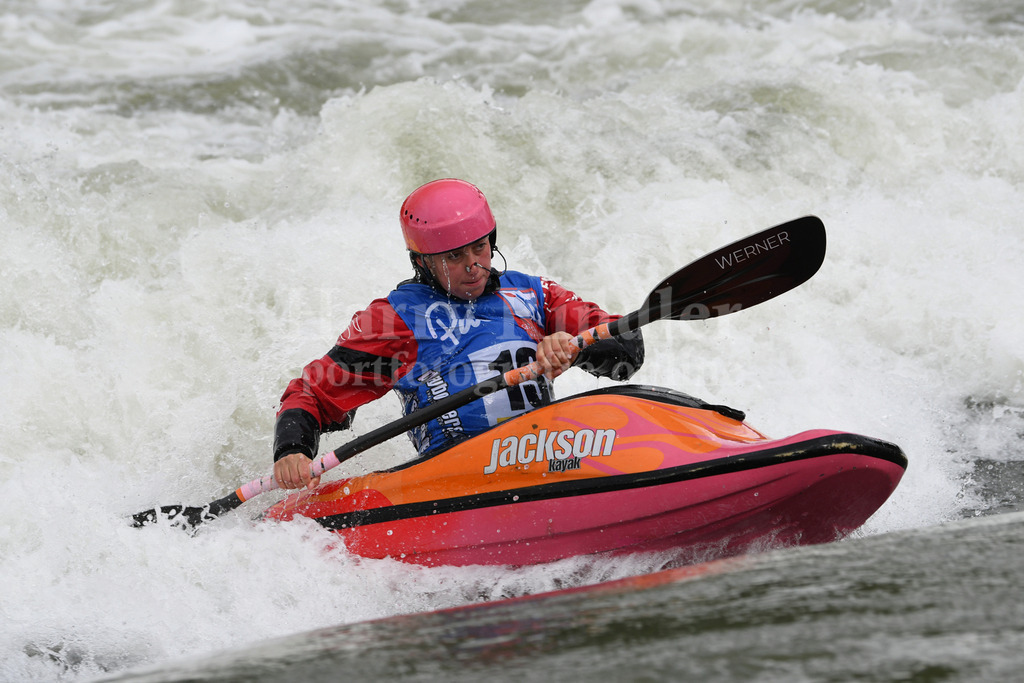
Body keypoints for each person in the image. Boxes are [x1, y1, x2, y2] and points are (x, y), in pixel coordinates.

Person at [272, 178, 645, 490]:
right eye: (454, 257)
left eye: (480, 248)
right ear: (422, 261)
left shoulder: (535, 294)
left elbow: (627, 348)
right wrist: (292, 450)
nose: (473, 266)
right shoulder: (395, 319)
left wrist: (577, 348)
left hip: (546, 457)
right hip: (455, 476)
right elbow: (313, 392)